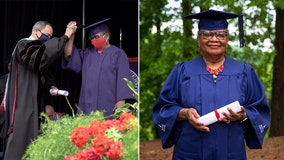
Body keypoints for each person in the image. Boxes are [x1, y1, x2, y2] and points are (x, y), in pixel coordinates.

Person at [152, 9, 270, 160]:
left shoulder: (244, 71)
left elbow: (260, 109)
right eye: (207, 34)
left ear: (227, 39)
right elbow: (163, 108)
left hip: (231, 153)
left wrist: (244, 114)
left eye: (221, 34)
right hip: (189, 152)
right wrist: (185, 113)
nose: (214, 39)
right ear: (198, 39)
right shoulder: (182, 71)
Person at [2, 20, 77, 159]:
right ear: (36, 31)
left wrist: (50, 86)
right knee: (20, 143)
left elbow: (42, 74)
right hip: (22, 105)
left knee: (33, 144)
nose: (48, 39)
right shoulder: (23, 44)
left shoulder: (35, 49)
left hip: (33, 105)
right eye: (47, 35)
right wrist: (65, 37)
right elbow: (39, 59)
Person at [62, 18, 135, 117]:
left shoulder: (118, 54)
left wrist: (121, 102)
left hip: (109, 105)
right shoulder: (87, 54)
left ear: (107, 36)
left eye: (96, 37)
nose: (93, 40)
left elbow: (123, 79)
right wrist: (72, 35)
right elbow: (68, 55)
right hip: (87, 106)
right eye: (91, 38)